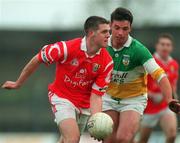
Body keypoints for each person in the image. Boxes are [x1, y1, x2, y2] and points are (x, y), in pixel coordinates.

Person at [1, 16, 113, 143]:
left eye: (109, 32)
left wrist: (96, 120)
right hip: (62, 98)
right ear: (91, 33)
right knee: (72, 139)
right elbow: (38, 59)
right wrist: (18, 83)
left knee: (67, 140)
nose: (108, 35)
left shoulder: (107, 62)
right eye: (104, 32)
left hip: (85, 105)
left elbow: (96, 96)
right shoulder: (66, 48)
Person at [102, 7, 177, 143]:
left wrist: (169, 99)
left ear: (130, 28)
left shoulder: (139, 50)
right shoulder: (101, 44)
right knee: (109, 140)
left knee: (123, 138)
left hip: (133, 100)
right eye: (116, 27)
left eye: (125, 29)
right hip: (108, 98)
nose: (120, 33)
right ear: (110, 25)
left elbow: (160, 75)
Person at [138, 33, 179, 143]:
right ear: (157, 46)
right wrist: (151, 94)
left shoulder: (174, 64)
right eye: (162, 44)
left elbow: (173, 85)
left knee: (172, 135)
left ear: (172, 47)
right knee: (142, 140)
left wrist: (175, 100)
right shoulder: (149, 62)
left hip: (165, 106)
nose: (165, 47)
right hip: (148, 108)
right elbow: (138, 84)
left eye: (168, 45)